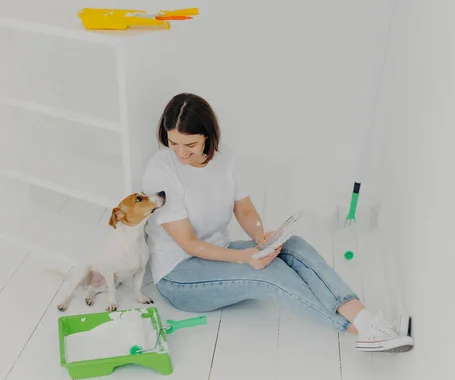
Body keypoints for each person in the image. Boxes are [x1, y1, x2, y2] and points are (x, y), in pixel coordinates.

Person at [142, 92, 414, 353]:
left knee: (292, 246)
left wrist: (261, 239)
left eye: (189, 145)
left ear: (207, 138)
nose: (180, 153)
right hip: (179, 275)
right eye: (172, 143)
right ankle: (360, 331)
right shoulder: (161, 170)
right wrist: (244, 257)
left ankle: (367, 320)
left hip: (218, 254)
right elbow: (188, 244)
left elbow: (245, 210)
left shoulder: (225, 159)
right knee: (269, 274)